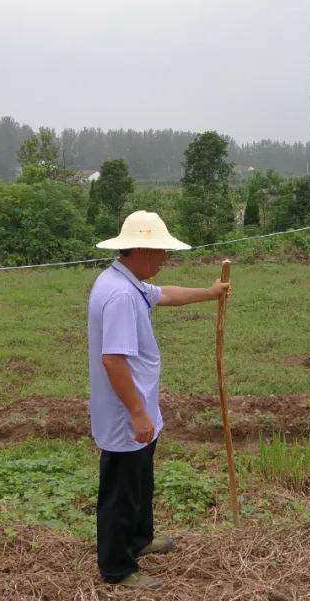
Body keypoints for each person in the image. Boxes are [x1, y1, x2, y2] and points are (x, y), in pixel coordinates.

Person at [87, 211, 230, 590]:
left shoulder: (127, 282)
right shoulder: (119, 294)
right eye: (162, 252)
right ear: (144, 251)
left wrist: (210, 293)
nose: (165, 260)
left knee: (139, 482)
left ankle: (139, 539)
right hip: (125, 414)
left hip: (138, 407)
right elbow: (113, 360)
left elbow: (165, 295)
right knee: (122, 489)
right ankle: (117, 567)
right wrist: (136, 413)